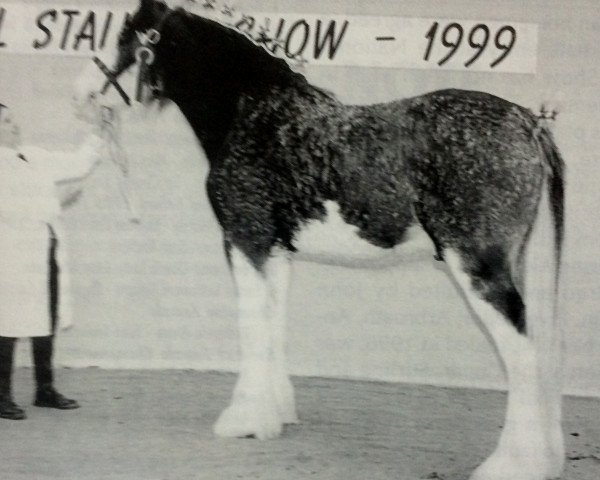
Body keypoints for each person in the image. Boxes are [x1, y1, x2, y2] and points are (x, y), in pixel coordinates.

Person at [0, 102, 107, 420]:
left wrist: (98, 132)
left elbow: (77, 164)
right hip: (11, 256)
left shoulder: (33, 155)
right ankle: (1, 395)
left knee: (46, 317)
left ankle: (44, 389)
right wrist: (59, 201)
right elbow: (13, 209)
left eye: (13, 119)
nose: (15, 125)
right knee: (7, 322)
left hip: (45, 250)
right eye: (7, 121)